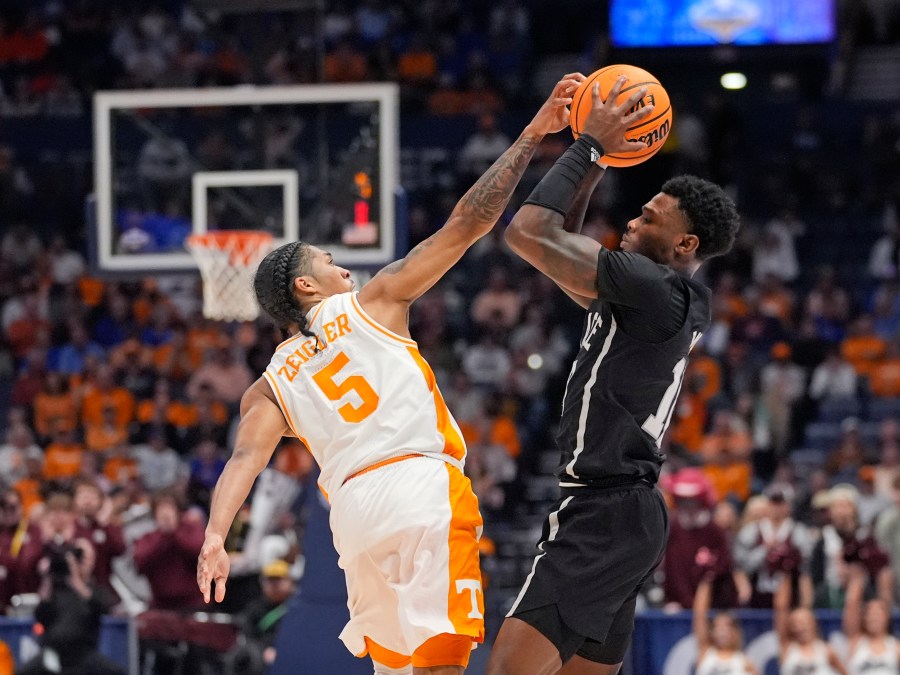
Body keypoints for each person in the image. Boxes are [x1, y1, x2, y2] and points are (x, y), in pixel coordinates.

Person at [198, 75, 583, 675]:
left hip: (351, 515)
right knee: (442, 665)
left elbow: (244, 461)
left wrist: (215, 538)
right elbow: (468, 222)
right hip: (416, 488)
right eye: (329, 262)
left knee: (397, 669)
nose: (344, 267)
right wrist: (534, 133)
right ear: (305, 286)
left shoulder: (269, 382)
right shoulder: (372, 301)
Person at [485, 73, 741, 675]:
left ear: (685, 243)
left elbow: (526, 234)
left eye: (649, 218)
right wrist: (593, 168)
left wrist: (590, 147)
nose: (631, 222)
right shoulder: (660, 296)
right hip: (625, 512)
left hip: (605, 514)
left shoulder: (651, 290)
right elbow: (560, 248)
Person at [774, 573, 847, 675]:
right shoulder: (787, 649)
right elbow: (781, 608)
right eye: (795, 623)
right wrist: (787, 573)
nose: (800, 627)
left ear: (813, 623)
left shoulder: (826, 651)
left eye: (803, 622)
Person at [692, 574, 758, 675]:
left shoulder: (744, 662)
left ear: (735, 631)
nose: (722, 631)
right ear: (712, 631)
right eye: (718, 626)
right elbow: (699, 615)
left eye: (727, 626)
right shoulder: (706, 654)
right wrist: (707, 577)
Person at [843, 563, 900, 675]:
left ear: (887, 618)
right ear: (864, 618)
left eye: (878, 614)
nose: (874, 618)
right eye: (870, 614)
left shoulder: (895, 646)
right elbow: (851, 607)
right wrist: (857, 581)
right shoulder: (856, 642)